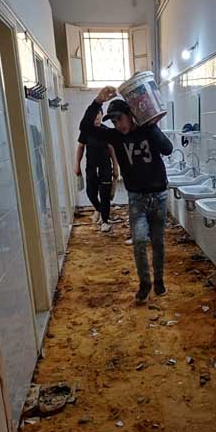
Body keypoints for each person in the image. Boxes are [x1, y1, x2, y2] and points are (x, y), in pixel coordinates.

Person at [79, 86, 173, 305]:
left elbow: (167, 149)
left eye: (120, 119)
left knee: (157, 242)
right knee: (139, 241)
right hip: (137, 199)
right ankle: (145, 284)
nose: (118, 125)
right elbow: (85, 128)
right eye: (113, 121)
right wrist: (97, 101)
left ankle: (159, 280)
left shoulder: (147, 130)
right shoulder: (114, 137)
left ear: (130, 115)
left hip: (158, 195)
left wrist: (151, 126)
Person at [74, 105, 119, 232]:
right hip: (91, 167)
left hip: (105, 167)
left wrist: (116, 167)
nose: (97, 117)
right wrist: (77, 164)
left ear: (101, 115)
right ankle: (99, 209)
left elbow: (112, 149)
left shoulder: (106, 131)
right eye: (94, 115)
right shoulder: (86, 131)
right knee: (90, 193)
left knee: (105, 195)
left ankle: (105, 221)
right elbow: (80, 147)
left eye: (99, 114)